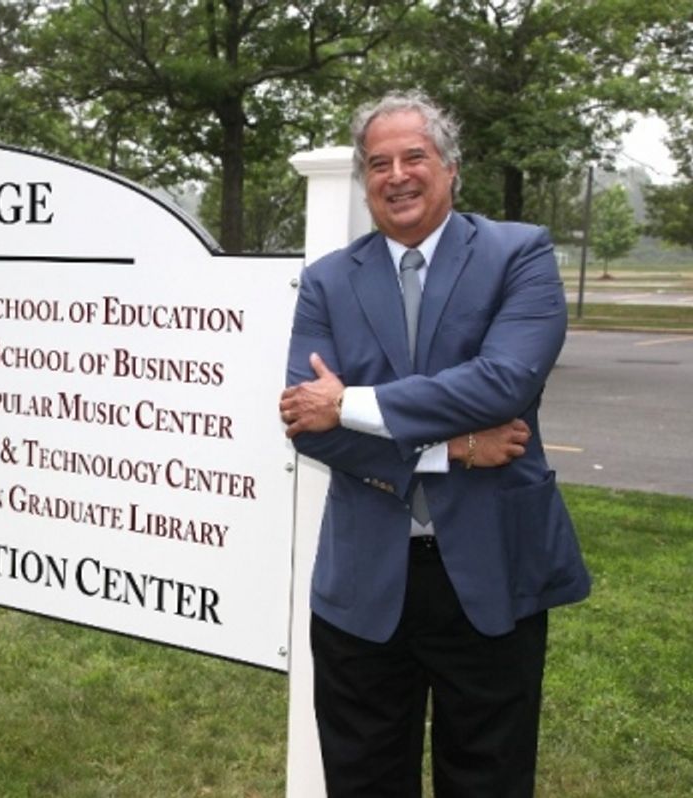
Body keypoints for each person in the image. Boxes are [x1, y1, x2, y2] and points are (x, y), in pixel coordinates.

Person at [278, 91, 591, 797]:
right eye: (378, 163)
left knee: (488, 777)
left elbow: (502, 384)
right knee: (362, 779)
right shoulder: (329, 280)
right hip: (364, 582)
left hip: (489, 574)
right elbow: (305, 420)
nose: (397, 175)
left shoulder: (521, 253)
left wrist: (350, 404)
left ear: (450, 168)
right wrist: (443, 451)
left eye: (413, 156)